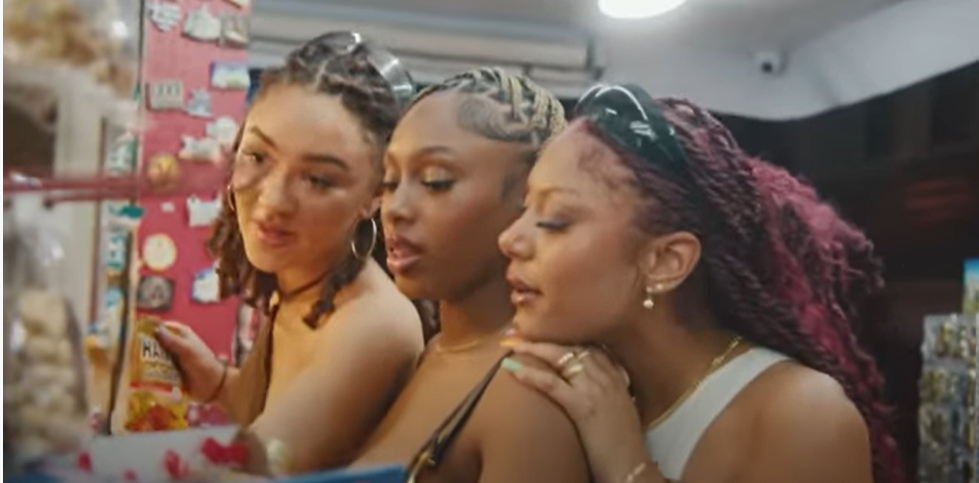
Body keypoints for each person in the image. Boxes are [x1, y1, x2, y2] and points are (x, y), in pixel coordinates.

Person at [498, 84, 905, 483]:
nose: (509, 239)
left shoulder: (800, 414)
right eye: (524, 209)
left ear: (666, 262)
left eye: (554, 220)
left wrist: (627, 464)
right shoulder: (575, 390)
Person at [155, 32, 426, 475]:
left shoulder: (374, 325)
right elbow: (273, 416)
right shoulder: (301, 280)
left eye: (318, 179)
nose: (273, 200)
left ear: (375, 195)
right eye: (258, 156)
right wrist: (218, 384)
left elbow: (253, 467)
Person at [351, 68, 589, 483]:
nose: (396, 208)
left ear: (531, 200)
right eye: (390, 181)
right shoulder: (436, 349)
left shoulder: (529, 397)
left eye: (435, 181)